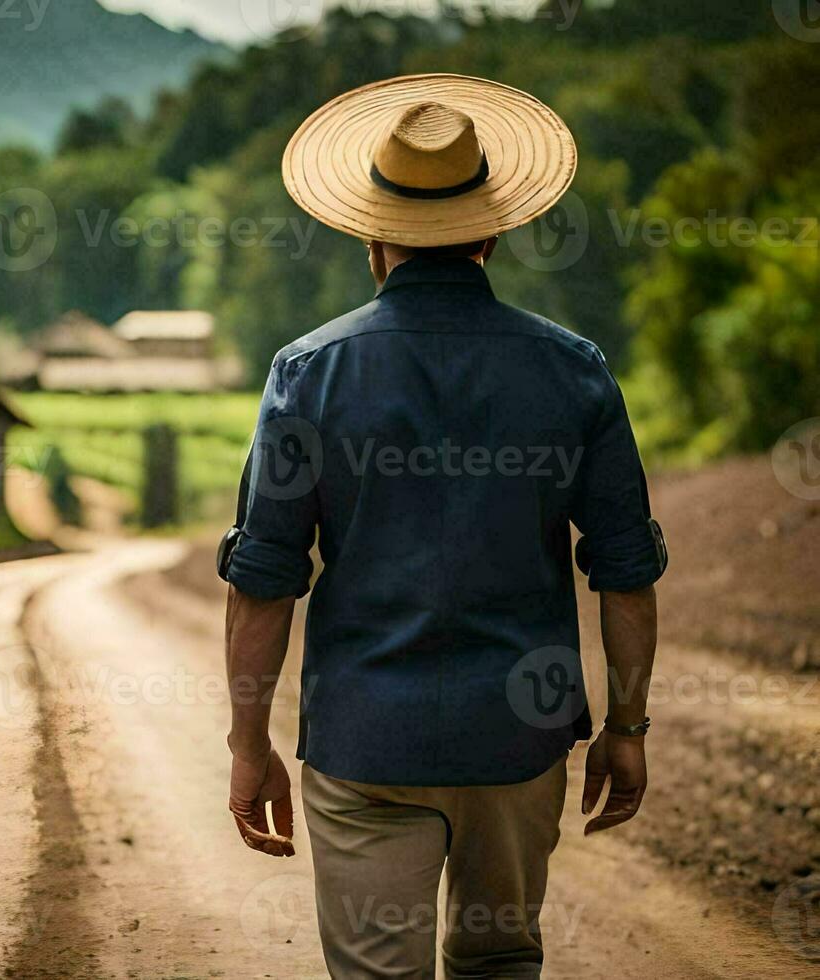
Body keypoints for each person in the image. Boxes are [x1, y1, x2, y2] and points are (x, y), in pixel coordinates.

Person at [219, 74, 666, 978]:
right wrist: (627, 726)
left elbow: (265, 577)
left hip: (364, 744)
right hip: (517, 741)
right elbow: (622, 571)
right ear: (493, 230)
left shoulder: (308, 374)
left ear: (372, 233)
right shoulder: (574, 372)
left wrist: (247, 742)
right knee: (501, 961)